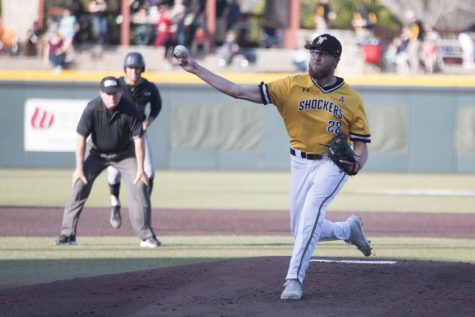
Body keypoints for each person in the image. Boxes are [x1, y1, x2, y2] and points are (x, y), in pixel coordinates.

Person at [175, 33, 372, 300]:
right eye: (313, 51)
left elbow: (361, 144)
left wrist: (357, 163)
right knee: (300, 228)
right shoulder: (290, 86)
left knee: (312, 212)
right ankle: (347, 230)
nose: (315, 56)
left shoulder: (351, 98)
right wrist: (195, 68)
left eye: (322, 53)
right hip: (299, 163)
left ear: (335, 59)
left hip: (332, 164)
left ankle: (293, 280)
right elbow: (237, 91)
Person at [55, 76, 160, 248]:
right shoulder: (92, 108)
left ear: (120, 92)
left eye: (115, 93)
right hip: (97, 153)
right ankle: (67, 236)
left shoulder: (130, 109)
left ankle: (146, 236)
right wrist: (79, 168)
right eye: (108, 93)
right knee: (79, 185)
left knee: (140, 186)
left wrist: (140, 169)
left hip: (124, 154)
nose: (112, 97)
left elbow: (139, 140)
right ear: (101, 93)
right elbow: (81, 138)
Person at [106, 52, 162, 229]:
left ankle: (143, 206)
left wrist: (148, 122)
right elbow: (106, 103)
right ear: (125, 69)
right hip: (119, 135)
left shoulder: (149, 87)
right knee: (113, 172)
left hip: (139, 133)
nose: (134, 71)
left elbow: (157, 106)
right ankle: (115, 203)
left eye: (137, 68)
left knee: (149, 171)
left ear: (142, 69)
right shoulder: (117, 84)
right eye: (130, 67)